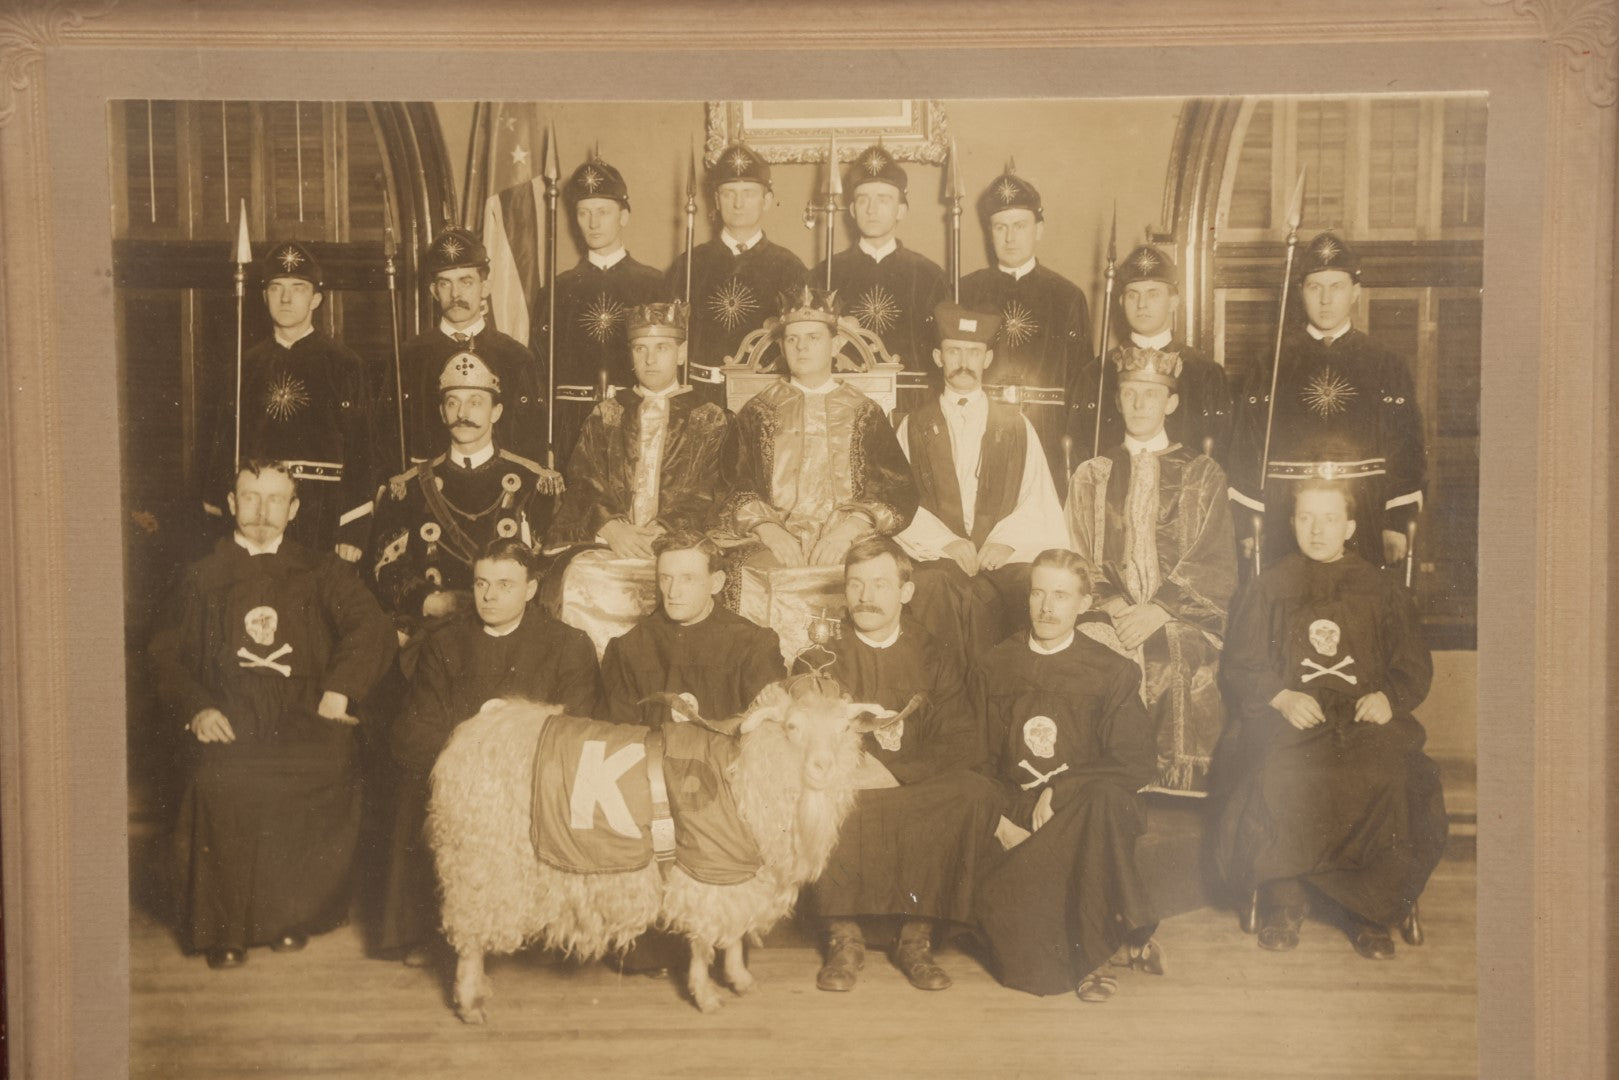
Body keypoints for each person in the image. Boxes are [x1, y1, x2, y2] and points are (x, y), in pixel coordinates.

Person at [149, 459, 397, 969]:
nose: (263, 511)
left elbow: (371, 628)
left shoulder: (323, 570)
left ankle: (288, 916)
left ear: (295, 508)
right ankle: (223, 929)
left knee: (323, 769)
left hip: (303, 710)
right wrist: (197, 707)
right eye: (252, 498)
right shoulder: (199, 575)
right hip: (228, 710)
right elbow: (163, 654)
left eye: (277, 499)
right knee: (223, 781)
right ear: (233, 503)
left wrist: (340, 692)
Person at [1211, 480, 1447, 959]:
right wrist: (1279, 697)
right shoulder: (1269, 585)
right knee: (1279, 770)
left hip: (1363, 716)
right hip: (1293, 717)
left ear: (1351, 526)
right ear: (1292, 522)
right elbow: (1242, 661)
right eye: (1305, 518)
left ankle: (1369, 912)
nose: (1316, 530)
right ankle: (1284, 899)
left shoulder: (1380, 588)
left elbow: (1412, 666)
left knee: (1387, 774)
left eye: (1329, 519)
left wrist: (1388, 697)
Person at [377, 538, 600, 965]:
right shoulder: (445, 642)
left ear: (531, 589)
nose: (490, 596)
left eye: (505, 585)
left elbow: (577, 725)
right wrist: (471, 749)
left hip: (537, 771)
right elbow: (419, 725)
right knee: (413, 789)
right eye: (481, 584)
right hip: (462, 771)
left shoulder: (568, 643)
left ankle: (544, 926)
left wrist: (511, 735)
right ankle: (430, 932)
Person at [797, 538, 1003, 993]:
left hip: (915, 782)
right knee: (821, 791)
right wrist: (858, 770)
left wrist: (897, 773)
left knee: (974, 791)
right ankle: (843, 936)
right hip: (851, 782)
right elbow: (813, 737)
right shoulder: (819, 657)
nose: (866, 597)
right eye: (855, 585)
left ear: (906, 592)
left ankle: (917, 937)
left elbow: (963, 739)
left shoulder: (937, 653)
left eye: (880, 584)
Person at [973, 549, 1161, 1002]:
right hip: (1018, 810)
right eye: (1038, 593)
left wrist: (1061, 788)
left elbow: (1136, 762)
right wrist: (999, 821)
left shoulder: (1112, 670)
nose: (1047, 607)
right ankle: (1124, 935)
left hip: (1083, 808)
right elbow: (972, 760)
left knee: (1101, 803)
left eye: (1061, 595)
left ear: (1084, 602)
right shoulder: (994, 665)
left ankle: (1089, 960)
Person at [1066, 346, 1236, 793]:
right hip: (1109, 611)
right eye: (1129, 394)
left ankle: (1176, 780)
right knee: (1090, 648)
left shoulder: (1203, 473)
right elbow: (1079, 554)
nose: (1139, 404)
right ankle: (1103, 780)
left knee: (1177, 650)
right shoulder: (1091, 474)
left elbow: (1211, 557)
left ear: (1171, 402)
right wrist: (1117, 605)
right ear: (1117, 400)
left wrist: (1159, 609)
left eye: (1151, 394)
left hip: (1181, 615)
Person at [544, 300, 734, 655]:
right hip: (613, 543)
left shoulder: (709, 417)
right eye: (640, 349)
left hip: (678, 542)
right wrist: (611, 527)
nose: (649, 360)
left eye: (661, 348)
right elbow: (584, 477)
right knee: (580, 578)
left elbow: (711, 487)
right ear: (629, 355)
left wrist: (665, 530)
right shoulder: (608, 414)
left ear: (681, 353)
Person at [1227, 232, 1426, 568]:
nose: (1325, 299)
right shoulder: (1270, 363)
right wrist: (1249, 525)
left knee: (1360, 607)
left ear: (1355, 293)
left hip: (1365, 511)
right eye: (1314, 287)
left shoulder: (1386, 362)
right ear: (1300, 292)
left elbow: (1406, 447)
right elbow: (1248, 447)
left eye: (1336, 287)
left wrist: (1396, 523)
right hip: (1285, 514)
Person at [896, 301, 1068, 667]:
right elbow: (900, 501)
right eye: (953, 350)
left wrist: (1008, 541)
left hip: (1002, 557)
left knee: (1031, 587)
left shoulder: (1016, 425)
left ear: (987, 359)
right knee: (933, 589)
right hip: (939, 557)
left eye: (973, 352)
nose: (963, 360)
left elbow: (1037, 498)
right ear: (937, 357)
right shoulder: (914, 425)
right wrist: (946, 542)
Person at [367, 350, 562, 654]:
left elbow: (548, 564)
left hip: (512, 630)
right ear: (442, 412)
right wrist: (429, 601)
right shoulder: (409, 487)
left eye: (475, 402)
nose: (463, 414)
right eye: (452, 402)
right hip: (433, 631)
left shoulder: (533, 482)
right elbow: (385, 567)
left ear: (495, 412)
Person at [721, 286, 918, 568]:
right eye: (792, 339)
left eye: (813, 337)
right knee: (748, 574)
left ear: (836, 345)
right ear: (781, 346)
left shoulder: (864, 411)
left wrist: (848, 531)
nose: (801, 347)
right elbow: (731, 485)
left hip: (851, 539)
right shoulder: (757, 411)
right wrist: (769, 529)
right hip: (771, 540)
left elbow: (898, 489)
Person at [204, 241, 377, 561]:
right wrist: (218, 520)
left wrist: (352, 528)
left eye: (298, 288)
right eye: (276, 288)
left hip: (322, 510)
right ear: (263, 296)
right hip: (259, 511)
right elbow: (223, 444)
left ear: (316, 298)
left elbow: (361, 449)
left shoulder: (345, 364)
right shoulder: (246, 364)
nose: (285, 298)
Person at [960, 169, 1093, 482]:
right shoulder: (965, 291)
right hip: (980, 429)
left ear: (1039, 229)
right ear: (988, 231)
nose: (1009, 237)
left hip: (1047, 434)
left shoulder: (1067, 296)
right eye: (1000, 227)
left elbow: (1082, 383)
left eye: (1019, 226)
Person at [531, 155, 667, 458]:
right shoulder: (556, 290)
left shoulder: (654, 285)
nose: (593, 223)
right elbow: (539, 371)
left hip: (636, 418)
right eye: (583, 213)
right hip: (570, 424)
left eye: (603, 212)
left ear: (624, 216)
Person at [599, 531, 785, 728]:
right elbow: (617, 739)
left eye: (687, 578)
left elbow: (768, 735)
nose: (673, 592)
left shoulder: (753, 645)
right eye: (666, 578)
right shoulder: (629, 647)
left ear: (716, 583)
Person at [812, 143, 948, 412]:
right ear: (851, 210)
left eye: (884, 199)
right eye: (863, 199)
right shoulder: (825, 274)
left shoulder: (930, 276)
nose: (872, 209)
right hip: (843, 405)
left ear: (901, 210)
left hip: (913, 405)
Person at [1070, 243, 1232, 468]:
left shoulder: (1205, 373)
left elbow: (1220, 454)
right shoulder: (1097, 374)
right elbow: (1080, 454)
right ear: (1120, 301)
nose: (1142, 305)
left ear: (1174, 301)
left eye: (1153, 294)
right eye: (1132, 295)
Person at [665, 142, 807, 396]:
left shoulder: (790, 267)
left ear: (767, 200)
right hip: (699, 392)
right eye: (729, 193)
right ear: (717, 200)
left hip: (764, 394)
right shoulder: (688, 264)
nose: (738, 203)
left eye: (749, 193)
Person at [398, 226, 546, 465]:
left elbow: (530, 446)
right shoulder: (409, 356)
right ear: (434, 291)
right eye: (445, 283)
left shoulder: (516, 357)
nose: (455, 293)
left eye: (465, 282)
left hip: (498, 494)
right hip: (426, 493)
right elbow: (388, 442)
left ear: (485, 287)